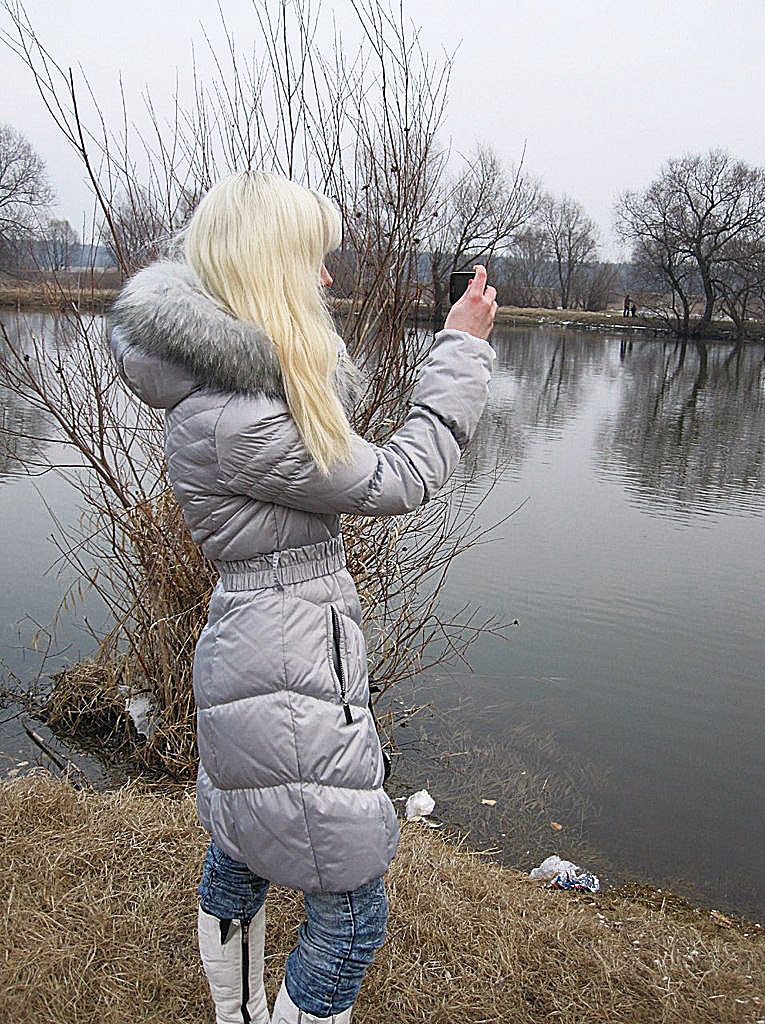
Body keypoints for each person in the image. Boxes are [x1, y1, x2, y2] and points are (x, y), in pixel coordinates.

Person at [109, 170, 496, 1024]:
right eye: (315, 260)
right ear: (269, 269)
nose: (329, 278)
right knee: (354, 907)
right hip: (285, 662)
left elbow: (337, 440)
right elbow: (398, 477)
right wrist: (461, 351)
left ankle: (236, 1014)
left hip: (263, 643)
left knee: (243, 848)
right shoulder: (242, 416)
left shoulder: (233, 396)